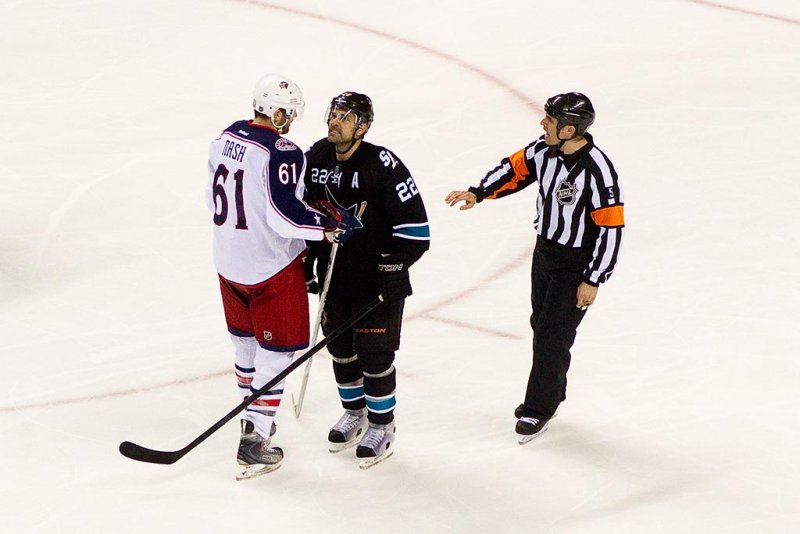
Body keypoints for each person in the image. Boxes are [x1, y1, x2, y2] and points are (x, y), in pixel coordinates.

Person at [445, 92, 624, 445]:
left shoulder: (598, 170)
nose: (542, 123)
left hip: (576, 264)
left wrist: (594, 278)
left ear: (569, 128)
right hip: (545, 254)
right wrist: (477, 193)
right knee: (541, 324)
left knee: (551, 336)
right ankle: (553, 389)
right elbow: (513, 169)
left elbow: (611, 227)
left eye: (550, 120)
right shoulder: (544, 150)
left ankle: (539, 407)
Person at [206, 74, 356, 479]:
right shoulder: (282, 151)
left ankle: (250, 421)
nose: (289, 120)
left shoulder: (224, 138)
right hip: (269, 269)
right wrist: (327, 224)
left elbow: (212, 198)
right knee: (276, 356)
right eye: (287, 113)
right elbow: (285, 216)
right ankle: (254, 439)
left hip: (228, 262)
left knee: (246, 349)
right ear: (275, 111)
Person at [304, 91, 430, 468]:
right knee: (341, 350)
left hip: (375, 283)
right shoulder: (316, 157)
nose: (334, 121)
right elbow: (304, 217)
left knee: (375, 358)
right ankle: (354, 413)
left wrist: (393, 268)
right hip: (335, 277)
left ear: (363, 127)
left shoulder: (382, 165)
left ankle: (382, 425)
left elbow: (416, 231)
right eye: (333, 113)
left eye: (345, 117)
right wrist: (306, 262)